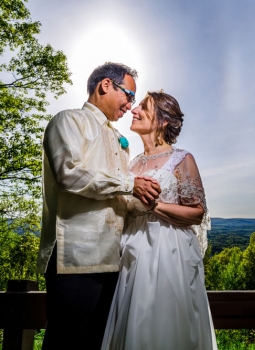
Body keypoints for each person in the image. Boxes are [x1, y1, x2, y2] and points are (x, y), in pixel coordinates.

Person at [36, 62, 161, 350]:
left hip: (113, 260)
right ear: (106, 85)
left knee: (98, 342)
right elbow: (69, 174)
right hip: (75, 257)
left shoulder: (122, 141)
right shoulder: (69, 120)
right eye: (128, 95)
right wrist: (131, 184)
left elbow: (117, 196)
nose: (130, 105)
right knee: (66, 341)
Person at [101, 91, 218, 350]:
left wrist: (155, 204)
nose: (134, 110)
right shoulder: (131, 163)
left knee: (165, 326)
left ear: (163, 120)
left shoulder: (182, 159)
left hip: (169, 252)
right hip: (130, 252)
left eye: (143, 107)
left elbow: (197, 212)